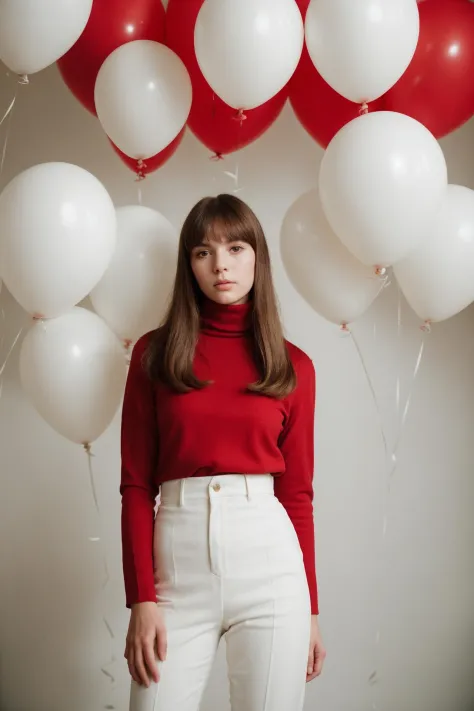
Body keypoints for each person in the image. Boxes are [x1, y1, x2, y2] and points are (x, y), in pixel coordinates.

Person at [120, 193, 326, 711]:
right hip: (176, 572)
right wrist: (141, 599)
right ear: (189, 265)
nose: (221, 265)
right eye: (203, 252)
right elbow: (136, 485)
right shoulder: (154, 354)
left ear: (257, 256)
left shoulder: (293, 367)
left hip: (272, 570)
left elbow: (298, 496)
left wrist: (313, 612)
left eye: (236, 247)